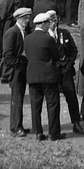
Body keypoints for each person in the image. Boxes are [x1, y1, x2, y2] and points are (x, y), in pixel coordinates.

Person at [24, 11, 63, 141]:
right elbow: (56, 56)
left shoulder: (27, 38)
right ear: (44, 24)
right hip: (48, 75)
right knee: (52, 104)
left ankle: (38, 131)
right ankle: (54, 132)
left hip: (33, 75)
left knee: (36, 105)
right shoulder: (48, 39)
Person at [2, 8, 33, 137]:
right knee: (16, 99)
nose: (27, 20)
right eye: (25, 18)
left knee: (19, 97)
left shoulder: (23, 31)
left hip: (21, 69)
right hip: (16, 71)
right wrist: (18, 65)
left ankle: (18, 124)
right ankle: (15, 126)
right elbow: (8, 54)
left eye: (28, 18)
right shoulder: (12, 32)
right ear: (18, 18)